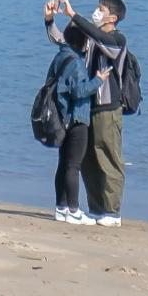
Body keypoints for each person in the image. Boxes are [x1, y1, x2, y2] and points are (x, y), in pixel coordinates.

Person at [44, 0, 129, 226]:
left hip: (108, 108)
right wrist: (50, 21)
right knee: (88, 159)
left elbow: (103, 41)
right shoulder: (92, 37)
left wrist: (72, 13)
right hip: (86, 106)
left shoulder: (117, 40)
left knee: (109, 157)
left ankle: (112, 211)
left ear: (113, 17)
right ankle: (96, 208)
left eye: (101, 9)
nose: (97, 12)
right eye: (97, 7)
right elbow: (65, 43)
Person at [49, 46, 110, 223]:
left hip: (62, 118)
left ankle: (61, 207)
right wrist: (98, 80)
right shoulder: (76, 63)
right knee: (73, 165)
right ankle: (74, 210)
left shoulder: (60, 56)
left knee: (63, 164)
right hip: (76, 118)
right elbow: (79, 91)